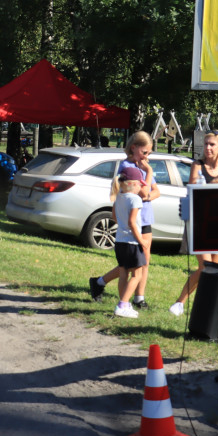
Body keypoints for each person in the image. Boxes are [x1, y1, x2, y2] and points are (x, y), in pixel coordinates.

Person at [89, 132, 158, 308]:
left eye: (149, 154)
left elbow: (155, 191)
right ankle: (101, 284)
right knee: (129, 265)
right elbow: (143, 192)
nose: (146, 157)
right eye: (144, 152)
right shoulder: (128, 168)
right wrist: (148, 173)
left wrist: (149, 195)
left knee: (144, 262)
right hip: (133, 222)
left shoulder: (141, 167)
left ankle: (138, 298)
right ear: (133, 148)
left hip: (145, 218)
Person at [170, 132, 218, 317]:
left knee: (215, 268)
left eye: (212, 144)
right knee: (205, 267)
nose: (208, 148)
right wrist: (215, 182)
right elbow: (193, 191)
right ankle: (179, 303)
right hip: (199, 221)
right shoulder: (197, 165)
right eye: (206, 144)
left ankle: (209, 306)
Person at [111, 166, 150, 318]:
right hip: (132, 243)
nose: (141, 186)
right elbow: (133, 223)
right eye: (140, 183)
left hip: (120, 241)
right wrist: (142, 241)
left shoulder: (119, 196)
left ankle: (125, 304)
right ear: (133, 184)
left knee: (123, 274)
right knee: (137, 275)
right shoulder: (135, 199)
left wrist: (122, 227)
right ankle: (122, 305)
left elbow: (114, 216)